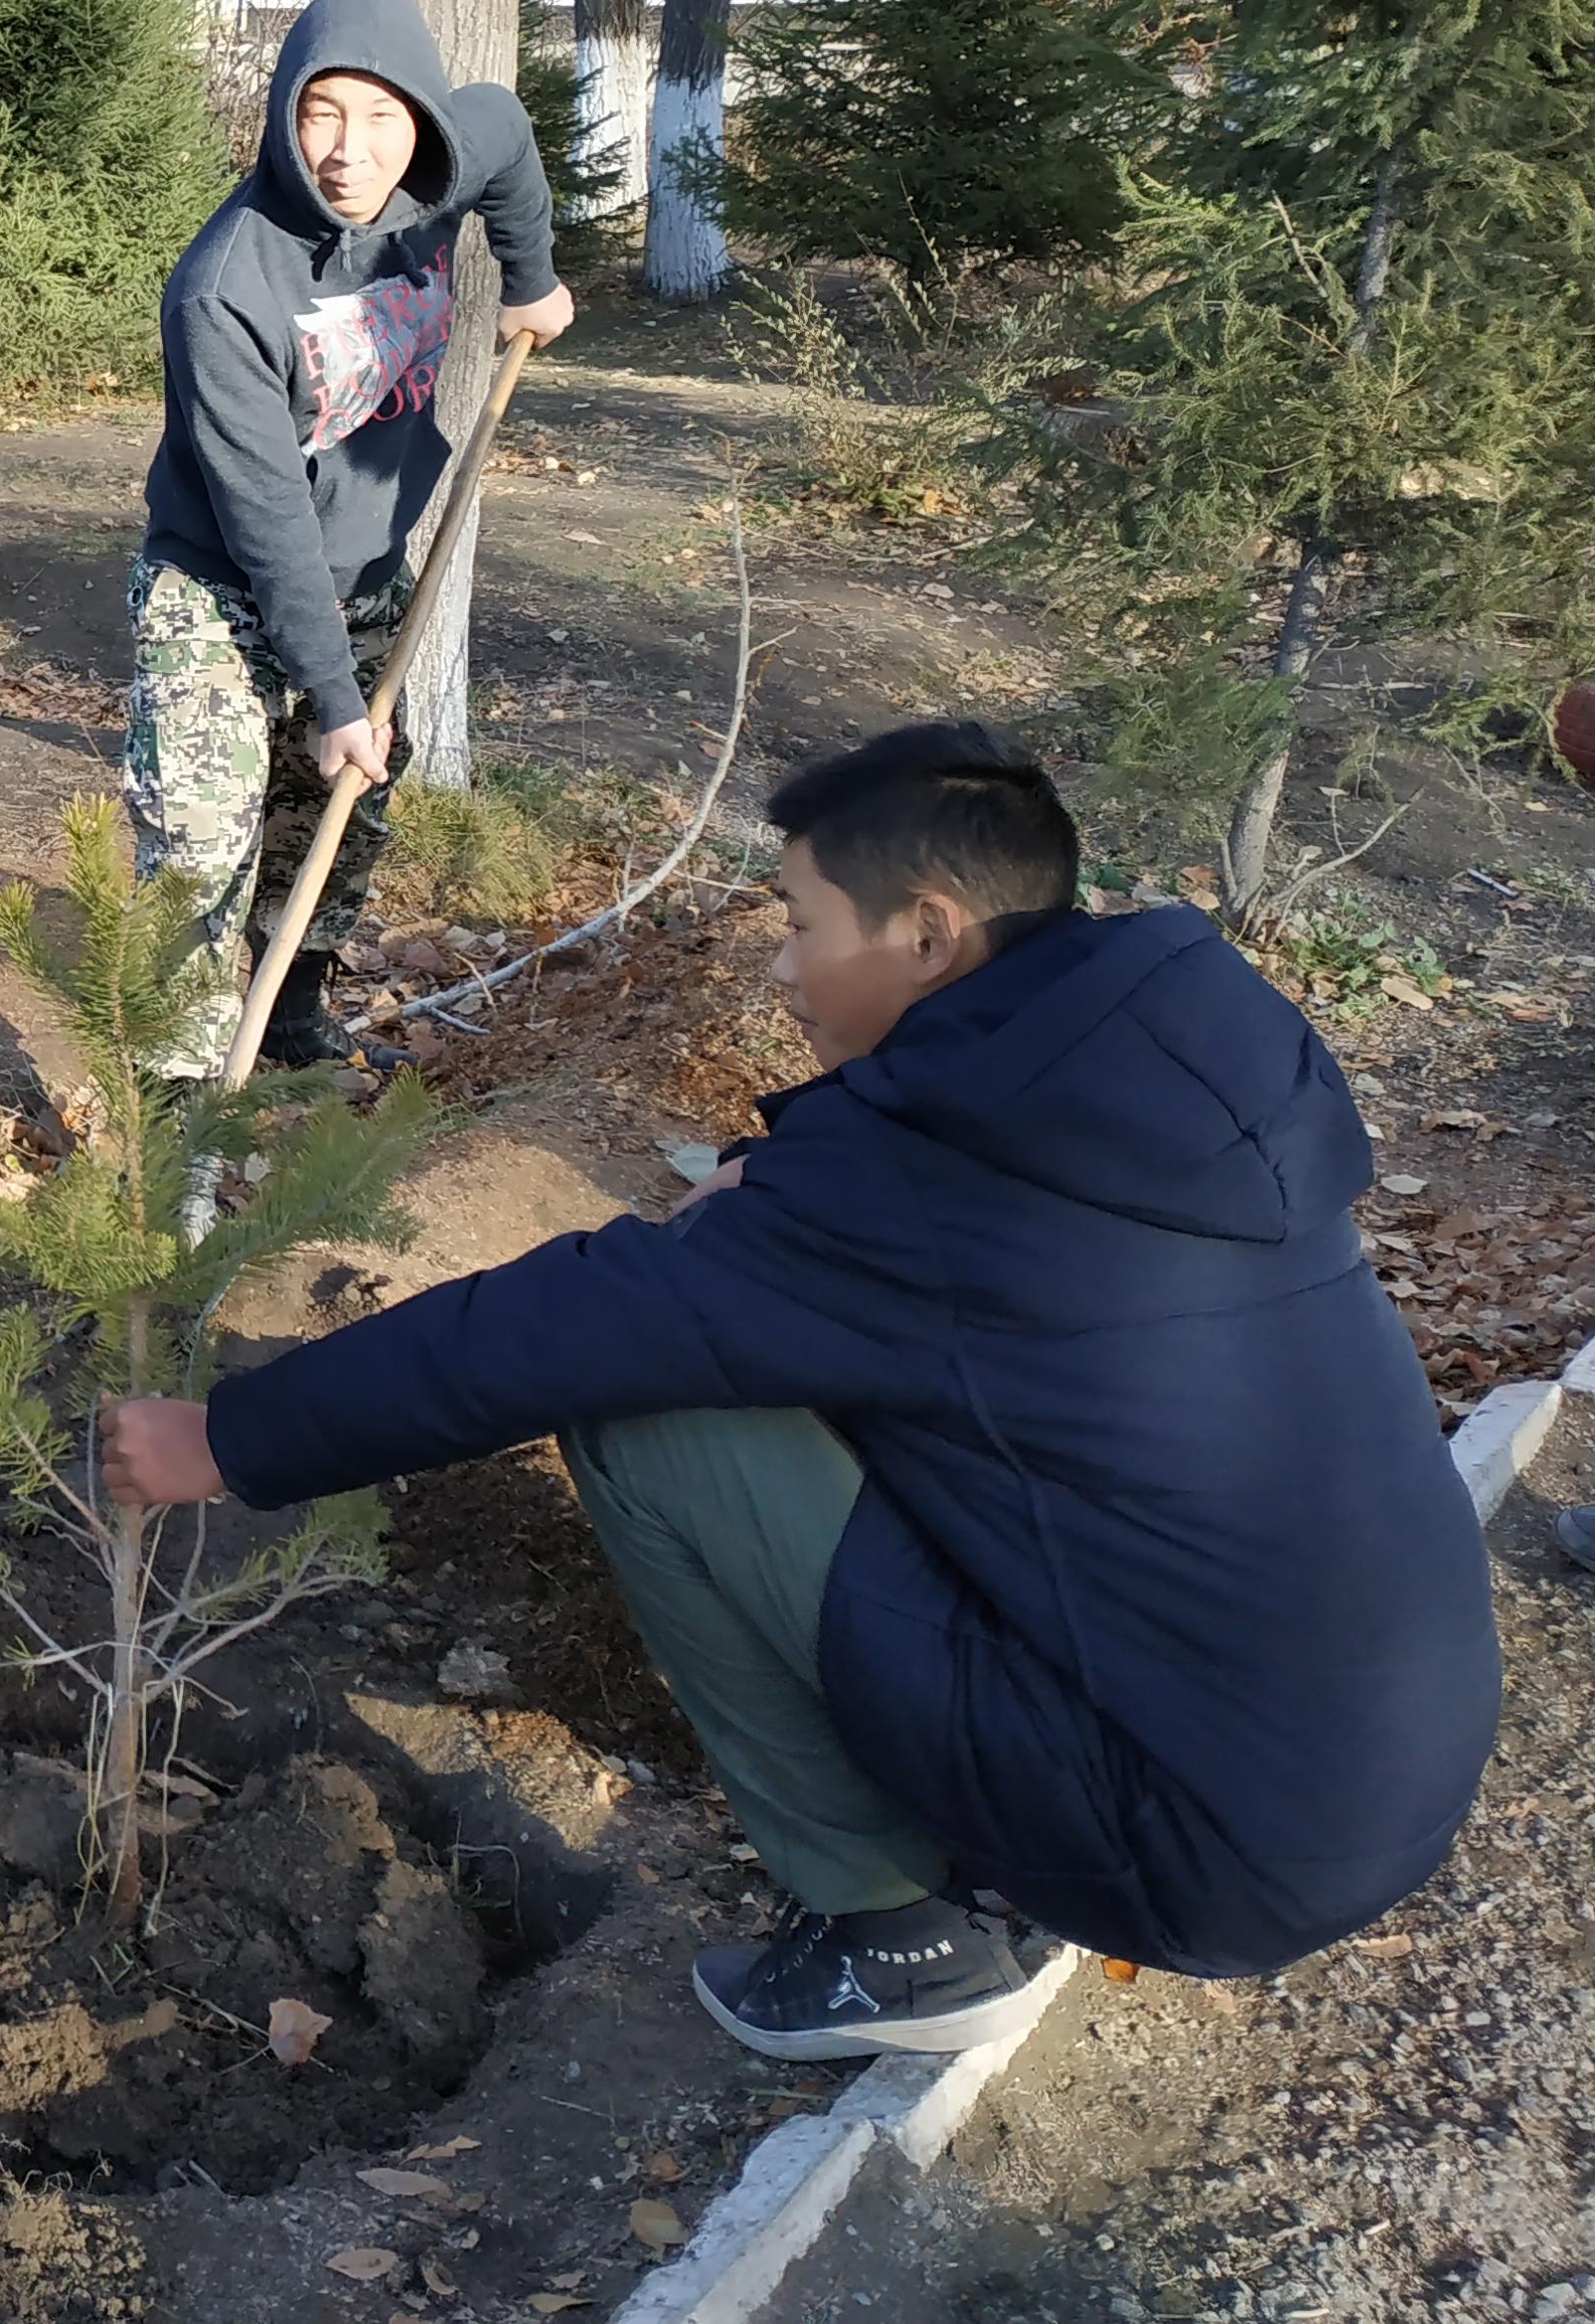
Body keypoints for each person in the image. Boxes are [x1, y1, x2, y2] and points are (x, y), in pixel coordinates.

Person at [100, 723, 1502, 2055]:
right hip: (1362, 1773)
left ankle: (905, 1937)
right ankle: (998, 1830)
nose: (781, 968)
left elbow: (570, 1325)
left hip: (1192, 1848)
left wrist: (231, 1437)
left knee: (654, 1424)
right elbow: (955, 1282)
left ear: (930, 930)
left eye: (800, 922)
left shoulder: (919, 1199)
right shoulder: (1163, 1085)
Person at [133, 0, 574, 1072]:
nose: (350, 150)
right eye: (321, 112)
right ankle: (176, 1086)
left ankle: (288, 1008)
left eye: (380, 115)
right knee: (202, 834)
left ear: (415, 117)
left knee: (342, 809)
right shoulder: (222, 288)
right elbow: (265, 514)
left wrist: (531, 275)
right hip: (219, 583)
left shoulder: (434, 165)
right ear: (284, 113)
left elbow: (510, 132)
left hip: (369, 565)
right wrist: (331, 694)